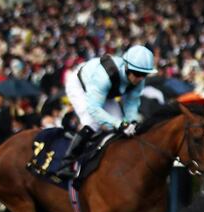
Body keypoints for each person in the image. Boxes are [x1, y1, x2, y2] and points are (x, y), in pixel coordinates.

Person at [56, 45, 157, 180]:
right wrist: (119, 124)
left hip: (105, 93)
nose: (140, 78)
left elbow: (131, 104)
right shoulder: (104, 76)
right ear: (127, 67)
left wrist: (130, 121)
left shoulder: (138, 81)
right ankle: (65, 164)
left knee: (121, 126)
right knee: (92, 122)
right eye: (137, 73)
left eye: (144, 74)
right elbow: (94, 108)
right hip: (79, 85)